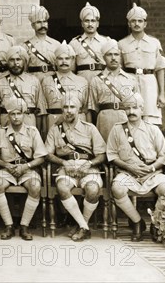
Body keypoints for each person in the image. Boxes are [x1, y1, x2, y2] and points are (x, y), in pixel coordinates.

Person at [107, 93, 165, 242]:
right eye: (128, 108)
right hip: (128, 172)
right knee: (117, 189)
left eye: (135, 107)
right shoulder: (117, 130)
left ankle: (156, 223)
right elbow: (111, 155)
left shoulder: (153, 130)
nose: (131, 111)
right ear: (124, 110)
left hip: (152, 173)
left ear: (142, 109)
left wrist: (152, 168)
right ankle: (137, 222)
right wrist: (129, 167)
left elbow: (163, 156)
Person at [45, 93, 106, 242]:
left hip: (88, 167)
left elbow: (102, 154)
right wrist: (63, 162)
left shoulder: (90, 128)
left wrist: (89, 164)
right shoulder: (55, 129)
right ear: (61, 109)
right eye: (65, 107)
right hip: (67, 167)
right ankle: (84, 227)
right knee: (62, 187)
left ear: (79, 110)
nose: (69, 110)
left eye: (72, 107)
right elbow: (47, 154)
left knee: (92, 190)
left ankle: (81, 226)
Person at [0, 97, 48, 241]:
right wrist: (6, 165)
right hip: (6, 168)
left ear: (24, 114)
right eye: (12, 114)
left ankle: (24, 226)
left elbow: (41, 157)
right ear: (8, 115)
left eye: (18, 114)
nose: (15, 117)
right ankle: (9, 226)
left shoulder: (32, 132)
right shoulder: (0, 133)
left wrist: (26, 166)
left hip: (27, 168)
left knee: (35, 186)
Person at [118, 3, 165, 126]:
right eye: (133, 21)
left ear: (145, 24)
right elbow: (118, 69)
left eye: (140, 21)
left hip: (149, 83)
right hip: (129, 82)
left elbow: (160, 68)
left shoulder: (154, 43)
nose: (136, 24)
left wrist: (162, 94)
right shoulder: (121, 43)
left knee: (151, 119)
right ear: (129, 24)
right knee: (130, 115)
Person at [88, 39, 139, 142]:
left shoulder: (131, 79)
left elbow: (138, 105)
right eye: (109, 55)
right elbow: (92, 108)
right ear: (103, 58)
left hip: (125, 118)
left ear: (120, 57)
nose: (113, 58)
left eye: (116, 54)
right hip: (105, 121)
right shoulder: (96, 80)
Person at [41, 41, 89, 130]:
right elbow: (43, 110)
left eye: (67, 58)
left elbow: (86, 109)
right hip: (54, 124)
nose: (64, 62)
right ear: (55, 61)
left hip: (78, 124)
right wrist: (44, 132)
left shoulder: (82, 81)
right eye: (60, 59)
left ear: (73, 60)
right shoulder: (47, 81)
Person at [0, 45, 47, 129]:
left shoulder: (34, 81)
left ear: (24, 61)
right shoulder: (0, 81)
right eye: (12, 60)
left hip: (29, 123)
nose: (16, 63)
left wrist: (38, 131)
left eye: (18, 59)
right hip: (7, 124)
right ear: (7, 62)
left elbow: (40, 109)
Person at [69, 3, 108, 83]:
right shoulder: (74, 43)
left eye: (93, 21)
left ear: (97, 24)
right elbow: (71, 70)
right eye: (87, 21)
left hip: (102, 83)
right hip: (82, 82)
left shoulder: (106, 42)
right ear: (82, 24)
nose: (90, 24)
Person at [24, 6, 60, 82]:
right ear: (33, 26)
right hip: (34, 82)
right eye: (39, 22)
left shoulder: (56, 44)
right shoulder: (26, 46)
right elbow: (23, 70)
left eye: (44, 22)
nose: (42, 25)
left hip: (53, 82)